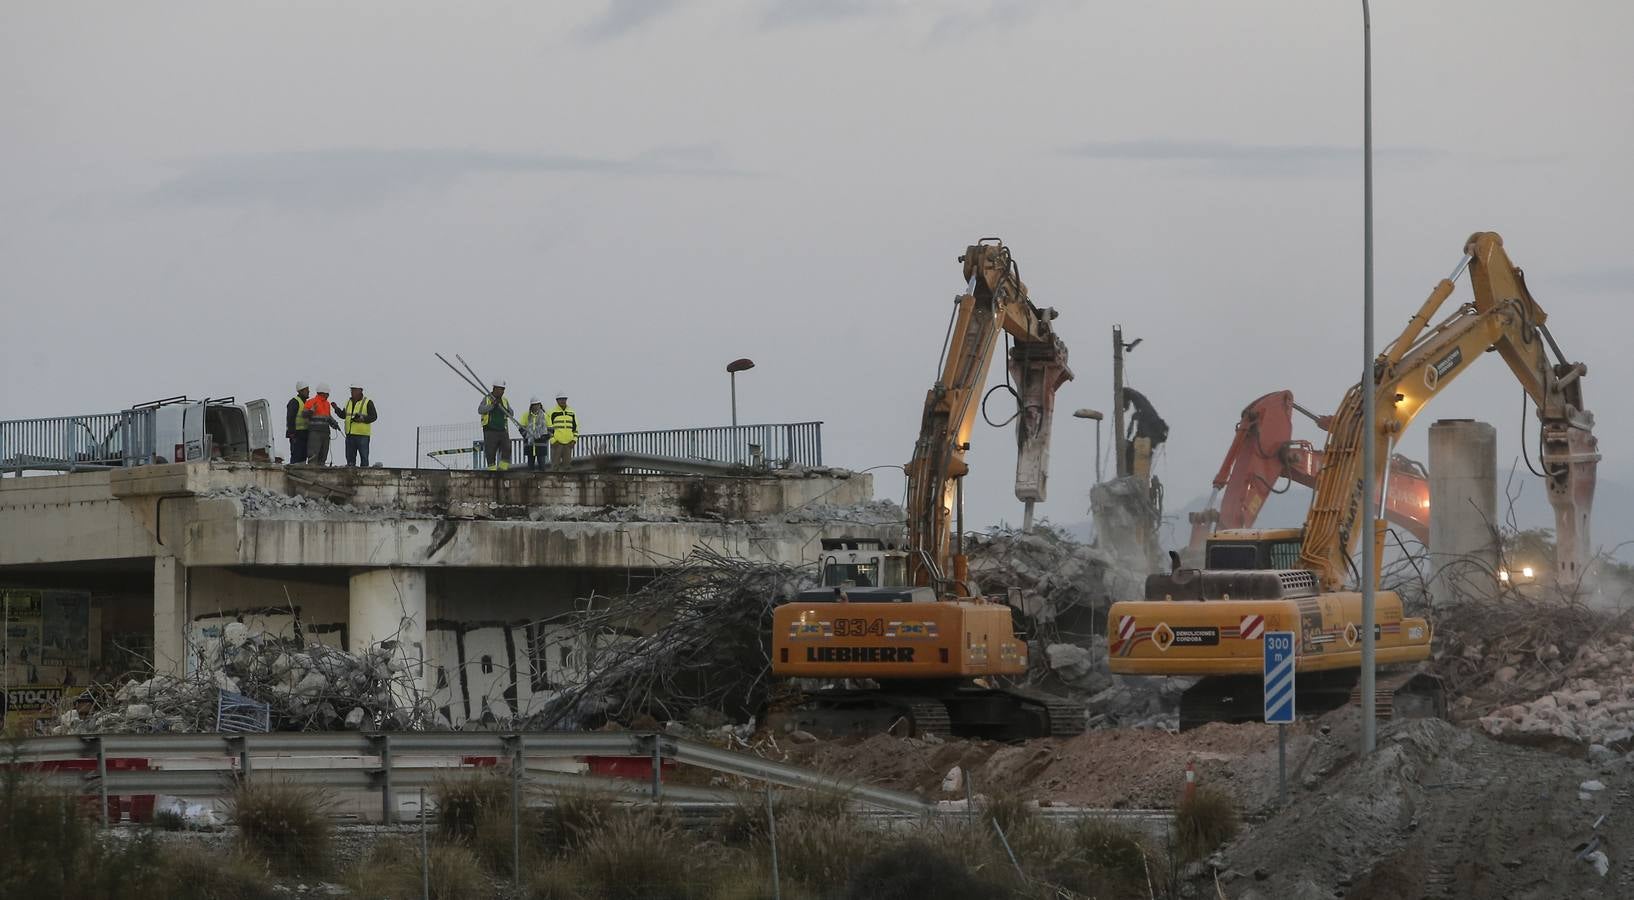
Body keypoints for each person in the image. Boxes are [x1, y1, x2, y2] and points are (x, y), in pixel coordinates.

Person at [339, 384, 380, 467]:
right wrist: (336, 409)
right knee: (350, 459)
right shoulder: (348, 402)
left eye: (354, 390)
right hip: (350, 434)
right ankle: (350, 476)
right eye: (351, 390)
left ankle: (363, 476)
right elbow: (344, 415)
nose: (352, 392)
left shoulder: (367, 402)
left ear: (360, 390)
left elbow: (374, 417)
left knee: (364, 459)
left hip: (362, 435)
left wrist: (363, 419)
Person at [301, 384, 343, 465]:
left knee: (323, 455)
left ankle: (321, 471)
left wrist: (334, 423)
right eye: (327, 394)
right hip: (315, 432)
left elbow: (328, 416)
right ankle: (312, 472)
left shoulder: (327, 404)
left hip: (325, 432)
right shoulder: (311, 402)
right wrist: (311, 411)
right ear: (323, 393)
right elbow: (304, 414)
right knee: (313, 454)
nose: (328, 395)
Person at [478, 380, 513, 471]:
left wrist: (504, 409)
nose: (502, 391)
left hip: (502, 430)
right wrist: (492, 406)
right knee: (490, 452)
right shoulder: (487, 399)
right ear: (495, 388)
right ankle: (492, 472)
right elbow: (480, 410)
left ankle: (502, 470)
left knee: (507, 449)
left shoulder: (504, 400)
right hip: (490, 430)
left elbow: (511, 413)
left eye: (503, 389)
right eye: (501, 389)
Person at [546, 392, 578, 467]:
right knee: (555, 466)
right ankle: (554, 479)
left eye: (564, 399)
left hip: (568, 443)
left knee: (567, 466)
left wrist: (574, 440)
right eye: (561, 399)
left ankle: (566, 479)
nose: (563, 401)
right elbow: (548, 429)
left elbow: (575, 427)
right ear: (557, 401)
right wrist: (553, 440)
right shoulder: (552, 412)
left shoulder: (571, 412)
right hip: (557, 444)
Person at [519, 397, 549, 470]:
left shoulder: (545, 416)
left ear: (540, 405)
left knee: (542, 467)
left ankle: (542, 480)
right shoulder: (526, 415)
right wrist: (527, 436)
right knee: (530, 468)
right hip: (529, 445)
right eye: (534, 405)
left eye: (537, 404)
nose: (536, 406)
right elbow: (521, 428)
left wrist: (544, 437)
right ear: (531, 406)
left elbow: (551, 429)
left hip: (541, 445)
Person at [286, 381, 311, 464]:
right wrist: (292, 433)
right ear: (301, 391)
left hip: (304, 434)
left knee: (303, 457)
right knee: (296, 456)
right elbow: (290, 417)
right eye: (306, 390)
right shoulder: (295, 402)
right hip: (296, 435)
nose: (308, 391)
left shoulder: (306, 403)